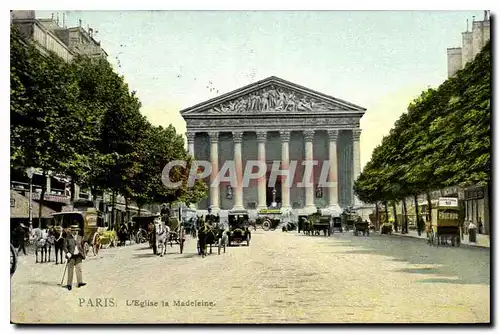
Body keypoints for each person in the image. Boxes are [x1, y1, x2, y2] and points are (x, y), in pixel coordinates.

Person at [63, 225, 86, 291]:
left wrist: (83, 252)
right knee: (70, 270)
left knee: (79, 269)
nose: (75, 232)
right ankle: (69, 284)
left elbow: (82, 245)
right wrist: (67, 253)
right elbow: (64, 247)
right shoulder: (67, 238)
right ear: (71, 231)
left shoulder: (80, 237)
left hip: (78, 255)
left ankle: (80, 282)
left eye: (76, 230)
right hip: (71, 256)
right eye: (73, 230)